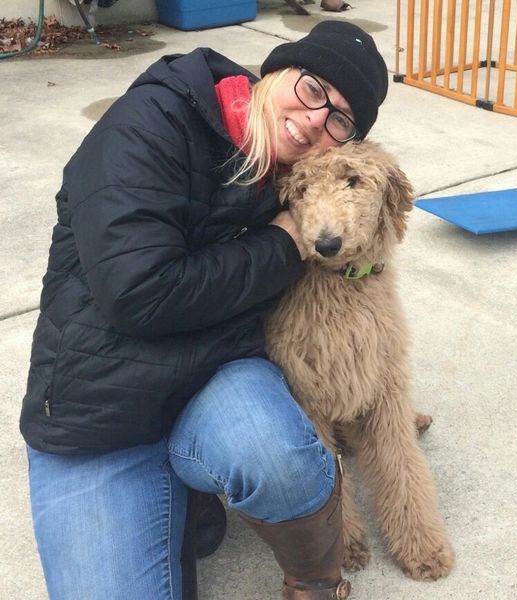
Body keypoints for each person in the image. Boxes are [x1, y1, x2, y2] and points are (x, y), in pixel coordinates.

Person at [20, 20, 388, 600]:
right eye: (314, 88)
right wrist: (283, 243)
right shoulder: (151, 123)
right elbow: (138, 292)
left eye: (340, 119)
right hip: (99, 417)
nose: (317, 118)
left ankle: (315, 581)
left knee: (280, 455)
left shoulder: (296, 178)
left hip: (211, 381)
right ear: (275, 72)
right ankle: (184, 497)